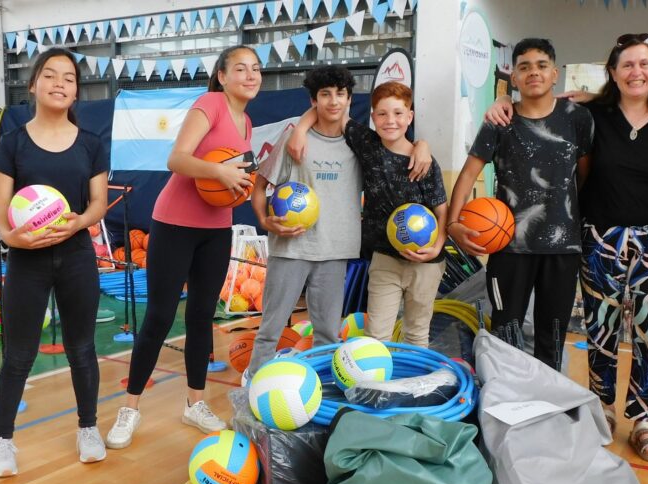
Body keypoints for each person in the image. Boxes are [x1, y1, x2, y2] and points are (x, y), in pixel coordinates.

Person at [491, 34, 648, 461]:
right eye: (626, 65)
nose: (636, 72)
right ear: (612, 72)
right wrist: (500, 102)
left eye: (644, 64)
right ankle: (604, 408)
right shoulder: (593, 114)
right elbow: (579, 173)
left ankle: (644, 419)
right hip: (600, 236)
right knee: (601, 332)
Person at [105, 45, 261, 449]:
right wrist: (219, 171)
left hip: (217, 228)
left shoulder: (247, 122)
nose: (250, 75)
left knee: (201, 317)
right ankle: (130, 408)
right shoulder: (209, 103)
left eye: (256, 69)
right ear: (222, 76)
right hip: (174, 223)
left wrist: (243, 184)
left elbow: (232, 180)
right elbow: (177, 159)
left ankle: (195, 403)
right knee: (158, 317)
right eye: (240, 68)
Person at [0, 48, 109, 477]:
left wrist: (79, 222)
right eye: (51, 75)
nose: (60, 83)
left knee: (82, 349)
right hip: (26, 261)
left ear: (76, 90)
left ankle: (88, 428)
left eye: (69, 78)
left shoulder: (91, 144)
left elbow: (98, 204)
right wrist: (10, 236)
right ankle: (2, 440)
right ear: (33, 84)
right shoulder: (12, 145)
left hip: (76, 256)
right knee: (18, 355)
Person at [448, 38, 594, 370]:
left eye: (541, 65)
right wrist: (453, 223)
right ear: (513, 78)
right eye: (524, 67)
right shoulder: (500, 120)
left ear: (555, 74)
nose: (533, 73)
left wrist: (564, 212)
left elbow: (584, 176)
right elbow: (470, 172)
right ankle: (505, 406)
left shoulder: (578, 118)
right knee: (505, 335)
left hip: (562, 248)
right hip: (508, 247)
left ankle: (546, 406)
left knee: (552, 337)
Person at [288, 82, 441, 346]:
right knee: (376, 336)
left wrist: (437, 247)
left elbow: (441, 209)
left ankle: (413, 386)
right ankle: (375, 387)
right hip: (384, 261)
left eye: (398, 113)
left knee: (416, 334)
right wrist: (300, 130)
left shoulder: (424, 161)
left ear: (409, 117)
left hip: (424, 264)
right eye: (382, 114)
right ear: (372, 117)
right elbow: (328, 111)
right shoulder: (367, 144)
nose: (390, 120)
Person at [243, 65, 362, 380]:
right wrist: (266, 221)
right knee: (270, 330)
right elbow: (258, 188)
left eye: (340, 94)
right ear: (314, 100)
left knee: (327, 334)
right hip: (291, 249)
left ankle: (320, 396)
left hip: (335, 249)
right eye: (325, 94)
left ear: (349, 99)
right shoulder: (294, 139)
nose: (333, 101)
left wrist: (423, 146)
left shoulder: (359, 141)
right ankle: (253, 394)